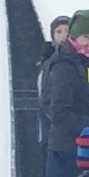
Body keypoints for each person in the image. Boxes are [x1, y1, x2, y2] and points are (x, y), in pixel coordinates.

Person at [42, 10, 89, 177]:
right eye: (87, 37)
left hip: (83, 150)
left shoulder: (83, 64)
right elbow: (59, 113)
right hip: (68, 157)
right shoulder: (65, 67)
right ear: (74, 37)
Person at [35, 14, 72, 168]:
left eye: (67, 31)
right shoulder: (50, 64)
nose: (63, 36)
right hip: (53, 133)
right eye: (59, 32)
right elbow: (47, 99)